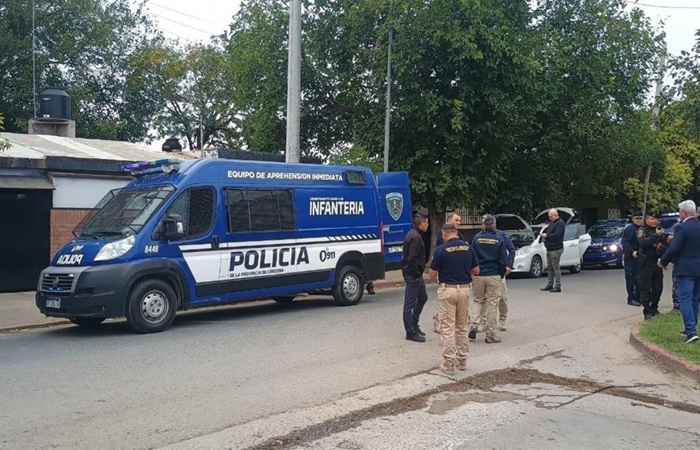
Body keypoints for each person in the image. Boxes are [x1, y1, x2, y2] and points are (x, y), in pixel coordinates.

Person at [429, 222, 479, 374]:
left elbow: (432, 275)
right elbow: (476, 270)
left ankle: (449, 363)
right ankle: (462, 360)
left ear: (444, 234)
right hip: (464, 290)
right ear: (456, 233)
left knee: (448, 328)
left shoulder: (440, 250)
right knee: (462, 327)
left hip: (447, 290)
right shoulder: (468, 248)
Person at [659, 200, 700, 344]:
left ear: (683, 212)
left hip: (685, 269)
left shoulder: (681, 228)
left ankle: (691, 331)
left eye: (679, 212)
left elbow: (674, 248)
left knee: (685, 299)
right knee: (694, 299)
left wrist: (663, 261)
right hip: (698, 269)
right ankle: (691, 327)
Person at [469, 214, 508, 344]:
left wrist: (473, 271)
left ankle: (474, 324)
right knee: (492, 303)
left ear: (483, 226)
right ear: (494, 225)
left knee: (478, 300)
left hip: (478, 274)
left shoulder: (476, 238)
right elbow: (503, 259)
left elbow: (472, 256)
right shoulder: (499, 239)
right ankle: (490, 335)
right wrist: (501, 274)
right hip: (494, 274)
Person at [475, 228, 515, 332]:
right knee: (483, 299)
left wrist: (508, 265)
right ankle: (483, 322)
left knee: (502, 297)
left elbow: (511, 249)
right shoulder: (478, 236)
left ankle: (502, 317)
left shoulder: (501, 235)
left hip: (498, 272)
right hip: (483, 273)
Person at [432, 212, 465, 333]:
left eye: (459, 221)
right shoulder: (443, 233)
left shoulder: (458, 234)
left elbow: (465, 245)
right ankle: (438, 321)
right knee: (443, 298)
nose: (458, 223)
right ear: (449, 220)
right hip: (445, 271)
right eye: (456, 220)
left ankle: (456, 323)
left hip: (457, 270)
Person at [402, 212, 430, 342]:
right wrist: (417, 273)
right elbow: (412, 258)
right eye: (426, 222)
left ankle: (414, 323)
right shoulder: (416, 238)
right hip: (413, 274)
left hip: (415, 274)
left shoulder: (415, 235)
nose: (427, 225)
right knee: (410, 304)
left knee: (423, 298)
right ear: (421, 223)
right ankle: (410, 332)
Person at [636, 211, 664, 321]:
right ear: (646, 220)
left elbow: (665, 242)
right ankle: (647, 310)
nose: (654, 221)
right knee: (646, 288)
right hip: (645, 263)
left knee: (658, 287)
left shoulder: (659, 230)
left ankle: (654, 308)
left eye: (656, 219)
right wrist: (656, 235)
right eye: (651, 219)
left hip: (657, 262)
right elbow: (643, 242)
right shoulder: (642, 231)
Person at [540, 209, 566, 293]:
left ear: (555, 215)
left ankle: (558, 285)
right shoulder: (552, 223)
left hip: (556, 248)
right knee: (550, 267)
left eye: (550, 216)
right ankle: (550, 284)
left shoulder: (560, 224)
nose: (549, 218)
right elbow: (549, 232)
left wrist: (547, 236)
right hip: (550, 248)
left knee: (555, 267)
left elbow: (557, 235)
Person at [621, 212, 643, 307]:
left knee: (640, 278)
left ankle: (638, 297)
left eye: (640, 218)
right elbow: (625, 242)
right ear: (633, 219)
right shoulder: (630, 229)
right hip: (631, 257)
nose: (638, 220)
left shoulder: (642, 229)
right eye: (636, 218)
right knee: (631, 278)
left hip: (641, 257)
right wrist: (632, 251)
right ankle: (631, 298)